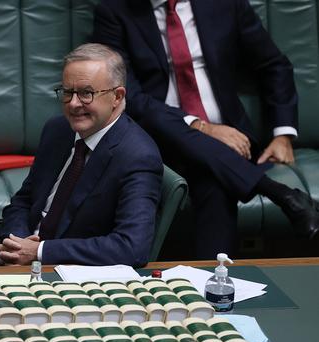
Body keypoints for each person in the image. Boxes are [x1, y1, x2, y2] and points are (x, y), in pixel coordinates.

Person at [92, 0, 319, 258]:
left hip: (229, 140)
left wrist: (283, 135)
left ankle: (213, 283)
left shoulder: (224, 4)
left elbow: (273, 65)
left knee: (214, 179)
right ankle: (279, 193)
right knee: (211, 165)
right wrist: (200, 127)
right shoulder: (115, 11)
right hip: (159, 139)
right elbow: (128, 95)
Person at [0, 43, 163, 267]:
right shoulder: (58, 130)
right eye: (68, 92)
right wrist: (17, 244)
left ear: (117, 97)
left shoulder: (138, 156)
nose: (73, 104)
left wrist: (39, 252)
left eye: (86, 93)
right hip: (16, 260)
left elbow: (132, 247)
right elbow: (24, 200)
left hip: (64, 274)